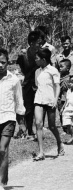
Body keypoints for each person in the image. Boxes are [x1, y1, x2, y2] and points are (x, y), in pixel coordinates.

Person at [0, 48, 25, 189]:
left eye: (2, 62)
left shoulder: (14, 80)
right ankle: (4, 177)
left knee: (2, 149)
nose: (0, 65)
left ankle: (1, 183)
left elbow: (19, 101)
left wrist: (21, 123)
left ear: (8, 62)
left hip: (8, 118)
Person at [33, 48, 65, 161]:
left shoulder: (53, 70)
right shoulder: (37, 71)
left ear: (43, 59)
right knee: (38, 123)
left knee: (51, 126)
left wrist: (56, 100)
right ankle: (41, 151)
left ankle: (59, 142)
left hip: (50, 100)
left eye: (37, 58)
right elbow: (37, 85)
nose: (35, 60)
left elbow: (57, 86)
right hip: (38, 100)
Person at [16, 31, 41, 139]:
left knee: (39, 108)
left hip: (39, 85)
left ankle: (38, 129)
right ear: (31, 43)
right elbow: (19, 70)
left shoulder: (42, 54)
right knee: (28, 108)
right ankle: (28, 130)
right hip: (27, 85)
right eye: (38, 43)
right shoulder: (23, 56)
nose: (40, 45)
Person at [58, 59, 71, 133]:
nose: (60, 68)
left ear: (68, 68)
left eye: (61, 67)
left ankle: (68, 130)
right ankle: (64, 129)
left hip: (66, 99)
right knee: (61, 114)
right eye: (59, 67)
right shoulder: (59, 77)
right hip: (60, 99)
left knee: (66, 114)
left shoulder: (69, 78)